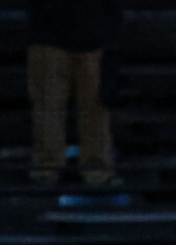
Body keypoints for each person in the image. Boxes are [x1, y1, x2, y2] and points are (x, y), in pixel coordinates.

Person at [26, 0, 121, 185]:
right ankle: (54, 168)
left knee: (90, 108)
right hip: (56, 35)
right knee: (53, 108)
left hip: (84, 35)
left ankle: (53, 169)